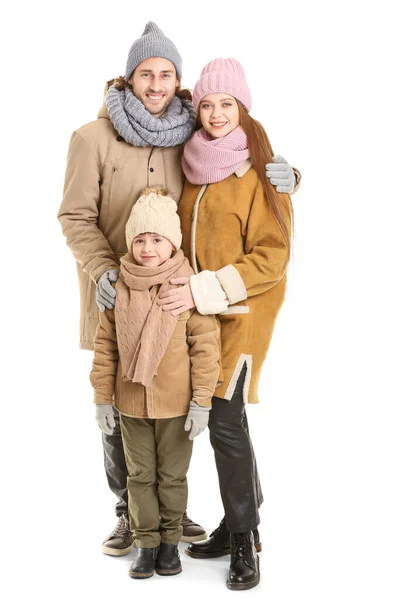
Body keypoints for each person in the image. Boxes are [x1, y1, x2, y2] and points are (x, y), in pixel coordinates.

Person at [58, 21, 300, 556]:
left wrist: (289, 173)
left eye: (167, 74)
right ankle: (131, 514)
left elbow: (249, 182)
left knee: (194, 412)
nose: (157, 83)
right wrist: (104, 273)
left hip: (201, 308)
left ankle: (206, 522)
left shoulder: (192, 141)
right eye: (146, 72)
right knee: (122, 406)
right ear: (129, 77)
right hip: (119, 294)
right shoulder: (100, 140)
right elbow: (74, 217)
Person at [157, 58, 293, 591]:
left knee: (223, 424)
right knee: (228, 425)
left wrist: (204, 288)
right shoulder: (192, 166)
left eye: (226, 104)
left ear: (243, 108)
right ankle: (245, 521)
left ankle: (243, 539)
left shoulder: (261, 174)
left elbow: (271, 258)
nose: (215, 114)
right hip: (194, 321)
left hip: (239, 320)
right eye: (207, 104)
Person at [90, 187, 220, 579]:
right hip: (130, 404)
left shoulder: (188, 288)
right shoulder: (118, 289)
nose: (148, 248)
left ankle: (169, 543)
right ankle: (146, 544)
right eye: (140, 239)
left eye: (157, 239)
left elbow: (206, 348)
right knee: (139, 476)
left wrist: (201, 402)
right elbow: (105, 349)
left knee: (172, 476)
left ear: (173, 243)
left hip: (176, 404)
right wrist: (101, 399)